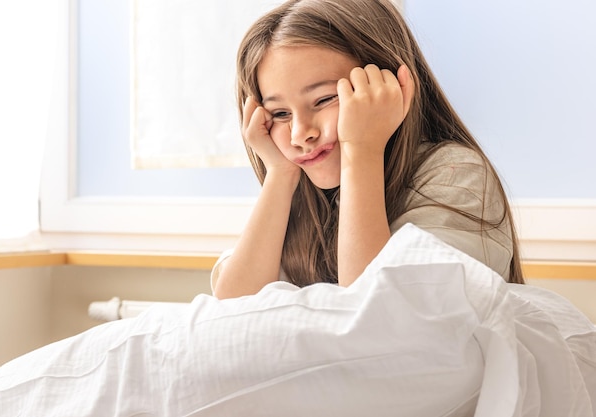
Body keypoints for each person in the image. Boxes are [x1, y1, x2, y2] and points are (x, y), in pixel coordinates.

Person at [212, 0, 524, 299]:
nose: (300, 133)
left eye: (323, 100)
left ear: (388, 87)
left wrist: (361, 151)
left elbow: (374, 315)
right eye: (280, 114)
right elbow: (233, 307)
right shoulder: (298, 192)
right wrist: (280, 174)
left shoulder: (455, 174)